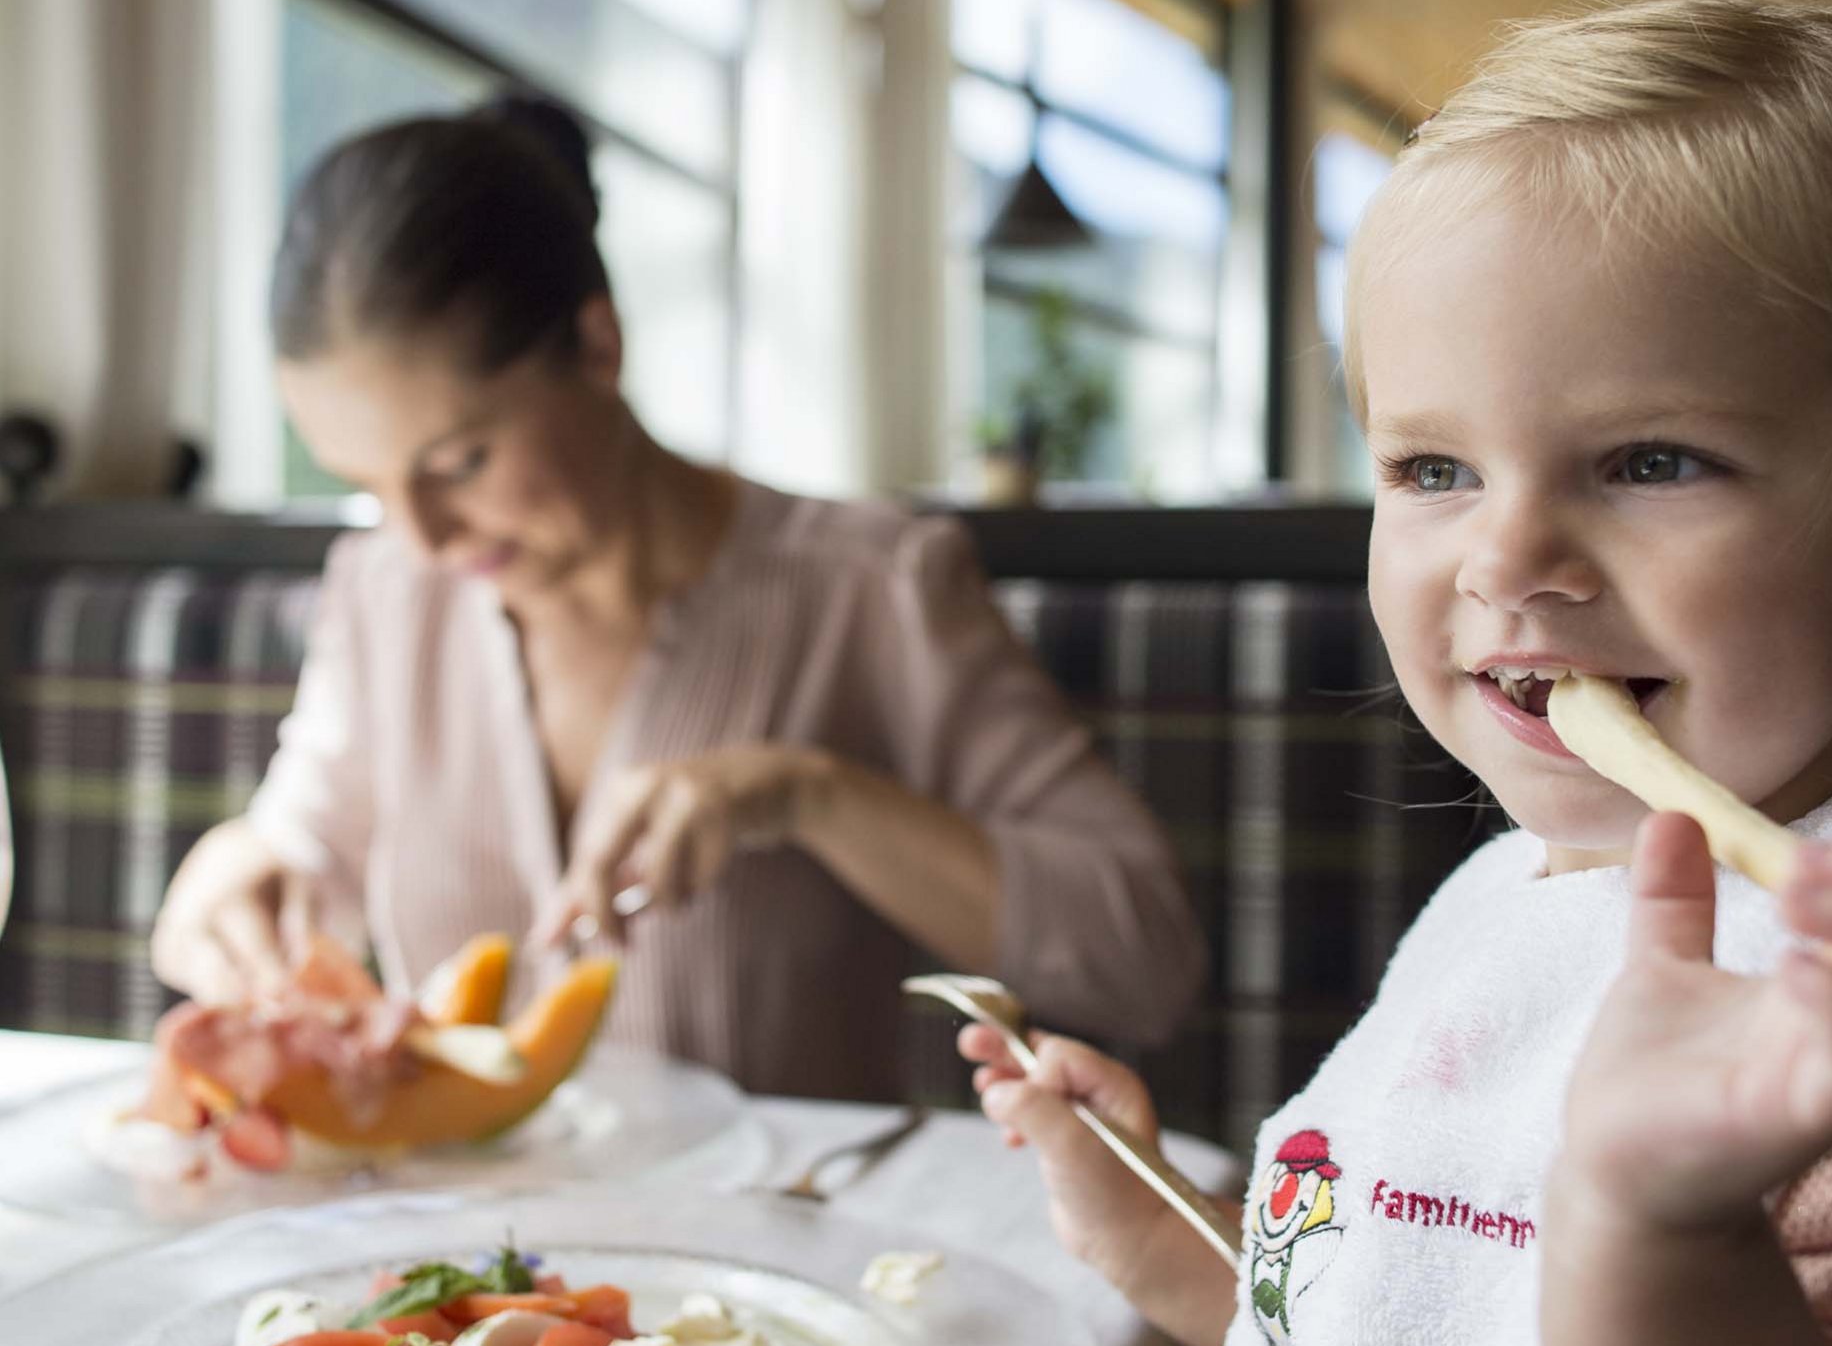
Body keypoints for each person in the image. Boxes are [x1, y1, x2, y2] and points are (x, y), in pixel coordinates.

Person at [963, 0, 1832, 1346]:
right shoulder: (1524, 885)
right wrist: (1165, 1232)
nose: (1506, 555)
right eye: (1432, 465)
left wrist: (1658, 1225)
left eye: (1651, 459)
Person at [149, 97, 1204, 1101]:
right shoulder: (382, 592)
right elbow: (304, 843)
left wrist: (809, 796)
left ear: (599, 346)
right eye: (367, 483)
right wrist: (237, 869)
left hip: (790, 1269)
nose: (421, 535)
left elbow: (1146, 960)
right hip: (461, 1270)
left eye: (461, 460)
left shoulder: (875, 590)